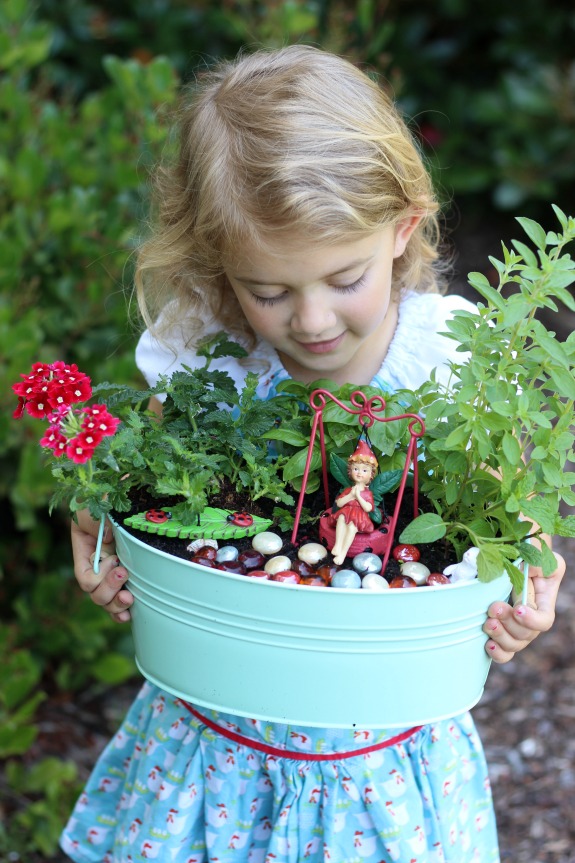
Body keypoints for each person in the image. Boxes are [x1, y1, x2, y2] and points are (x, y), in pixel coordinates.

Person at [62, 45, 565, 863]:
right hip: (215, 735)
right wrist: (102, 523)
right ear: (220, 264)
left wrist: (529, 589)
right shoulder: (203, 351)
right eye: (269, 290)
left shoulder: (449, 358)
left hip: (382, 749)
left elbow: (513, 520)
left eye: (343, 276)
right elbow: (145, 485)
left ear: (401, 228)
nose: (311, 319)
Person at [326, 440, 377, 564]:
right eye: (356, 469)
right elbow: (339, 504)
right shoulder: (349, 490)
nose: (359, 473)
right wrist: (350, 495)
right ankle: (338, 545)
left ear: (371, 475)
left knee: (352, 527)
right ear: (350, 471)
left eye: (364, 470)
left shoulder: (367, 493)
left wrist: (358, 496)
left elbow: (368, 508)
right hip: (346, 512)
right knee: (342, 518)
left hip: (359, 517)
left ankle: (343, 553)